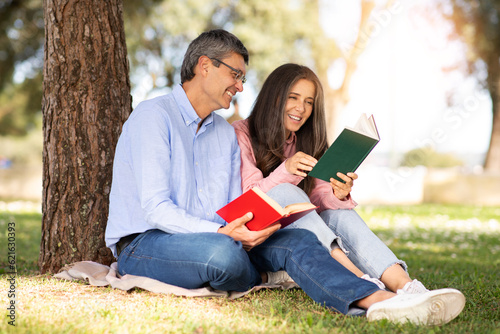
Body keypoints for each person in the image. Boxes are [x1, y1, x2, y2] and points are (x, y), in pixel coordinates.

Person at [105, 30, 464, 325]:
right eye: (235, 74)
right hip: (147, 243)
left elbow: (234, 203)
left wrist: (245, 229)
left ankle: (383, 301)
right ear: (204, 66)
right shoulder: (154, 117)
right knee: (222, 256)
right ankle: (264, 275)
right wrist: (223, 233)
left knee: (299, 242)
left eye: (243, 78)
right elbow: (154, 208)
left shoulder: (221, 132)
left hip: (225, 236)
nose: (241, 86)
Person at [232, 63, 463, 294]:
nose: (301, 108)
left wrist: (337, 194)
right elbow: (248, 199)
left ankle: (407, 287)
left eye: (309, 102)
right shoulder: (241, 133)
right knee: (286, 193)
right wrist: (286, 171)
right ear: (274, 97)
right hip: (261, 244)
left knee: (337, 214)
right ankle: (361, 282)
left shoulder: (307, 140)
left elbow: (316, 198)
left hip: (302, 236)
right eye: (293, 97)